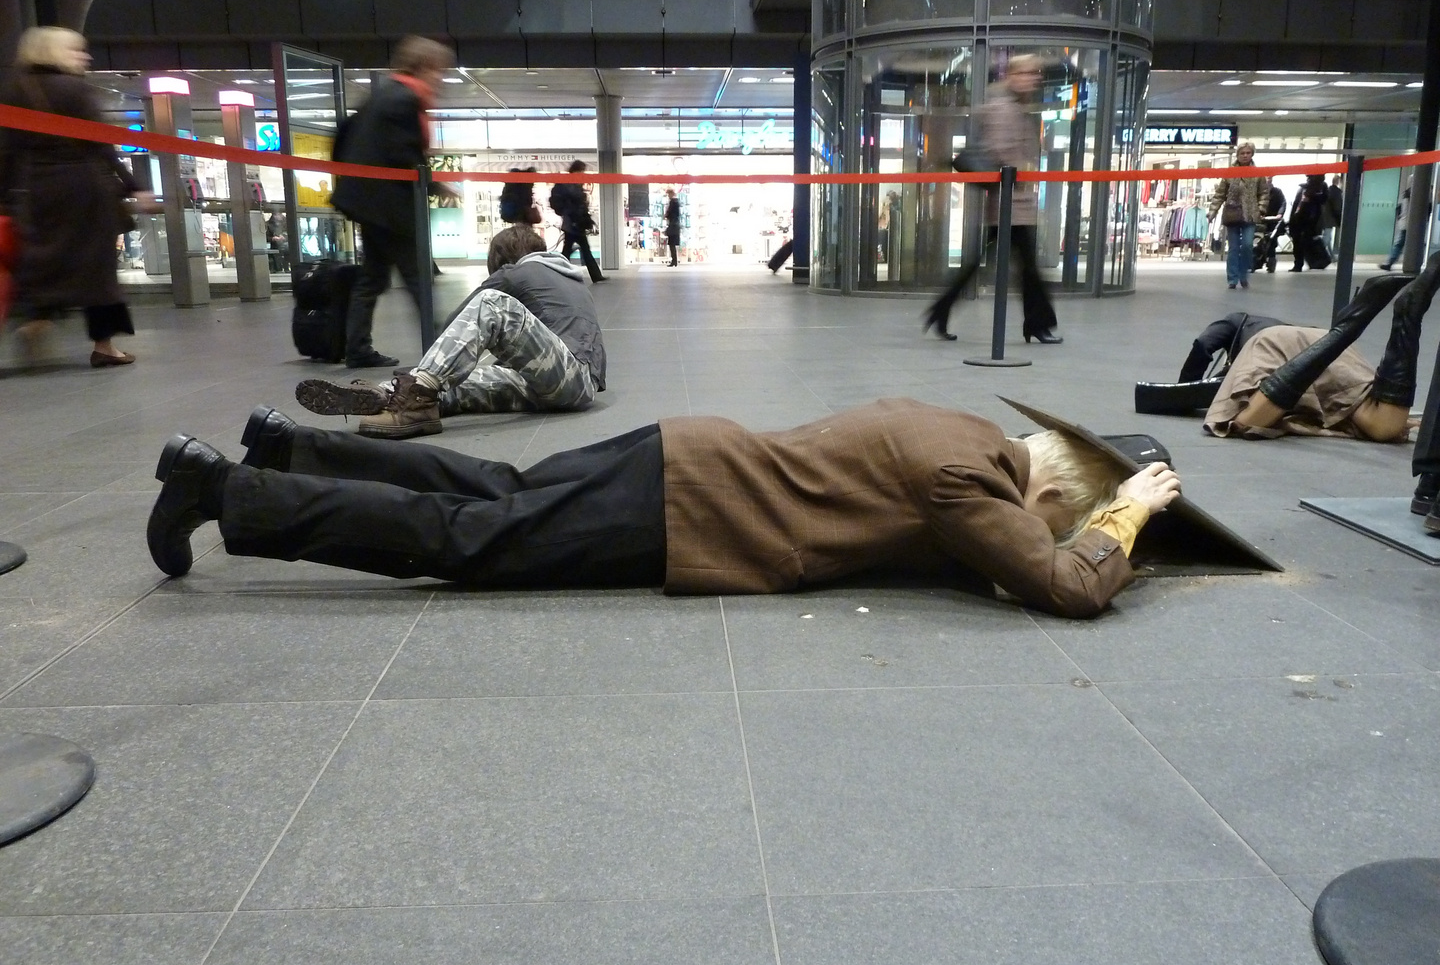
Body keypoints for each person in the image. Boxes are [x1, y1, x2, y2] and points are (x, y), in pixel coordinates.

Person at [147, 398, 1183, 621]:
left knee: (495, 493)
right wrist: (1122, 519)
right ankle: (232, 489)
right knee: (473, 544)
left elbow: (949, 543)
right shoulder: (972, 485)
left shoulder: (960, 433)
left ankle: (287, 445)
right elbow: (1060, 584)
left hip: (682, 452)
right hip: (691, 508)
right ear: (1054, 495)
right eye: (1065, 514)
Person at [295, 224, 605, 438]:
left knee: (491, 304)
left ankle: (417, 389)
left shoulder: (516, 272)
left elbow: (459, 321)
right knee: (456, 384)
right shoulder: (570, 278)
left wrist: (446, 361)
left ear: (500, 260)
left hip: (568, 378)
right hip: (570, 384)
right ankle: (391, 396)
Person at [0, 27, 154, 368]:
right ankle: (104, 346)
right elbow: (102, 145)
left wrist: (4, 198)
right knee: (97, 269)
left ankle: (36, 320)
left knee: (42, 260)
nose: (84, 57)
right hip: (85, 188)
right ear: (52, 52)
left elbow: (8, 151)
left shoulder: (15, 91)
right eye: (75, 50)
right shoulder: (74, 89)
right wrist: (135, 186)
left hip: (38, 189)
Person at [1205, 254, 1440, 447]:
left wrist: (1190, 382)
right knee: (1383, 425)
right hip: (1320, 345)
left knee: (1244, 421)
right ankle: (1403, 316)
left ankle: (1347, 329)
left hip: (1273, 344)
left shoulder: (1237, 321)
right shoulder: (1268, 324)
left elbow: (1202, 346)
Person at [330, 36, 452, 369]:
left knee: (372, 277)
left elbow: (344, 135)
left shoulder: (382, 95)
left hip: (371, 203)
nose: (440, 78)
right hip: (389, 206)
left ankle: (357, 347)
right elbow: (404, 156)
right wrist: (435, 184)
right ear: (424, 66)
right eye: (438, 70)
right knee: (418, 278)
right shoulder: (405, 99)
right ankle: (440, 351)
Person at [923, 53, 1061, 344]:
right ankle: (1037, 323)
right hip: (1009, 202)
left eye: (1034, 73)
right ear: (1011, 76)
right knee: (1024, 268)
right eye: (1025, 73)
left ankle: (941, 310)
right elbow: (999, 151)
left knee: (996, 264)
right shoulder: (1003, 109)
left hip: (1013, 203)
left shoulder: (1014, 107)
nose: (1033, 78)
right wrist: (1024, 168)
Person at [1207, 141, 1268, 290]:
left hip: (1250, 214)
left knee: (1247, 245)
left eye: (1248, 153)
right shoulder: (1230, 173)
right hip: (1232, 213)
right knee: (1233, 248)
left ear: (1252, 154)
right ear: (1238, 155)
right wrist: (1213, 211)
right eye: (1242, 153)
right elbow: (1220, 194)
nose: (1245, 155)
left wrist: (1260, 209)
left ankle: (1243, 275)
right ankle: (1232, 279)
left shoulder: (1258, 173)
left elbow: (1264, 193)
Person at [548, 159, 604, 283]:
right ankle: (595, 276)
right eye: (582, 171)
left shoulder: (572, 184)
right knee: (576, 250)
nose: (583, 173)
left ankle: (595, 275)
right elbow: (576, 204)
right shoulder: (571, 185)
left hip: (573, 223)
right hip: (573, 223)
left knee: (575, 249)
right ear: (576, 170)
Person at [1287, 173, 1329, 272]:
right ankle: (1298, 263)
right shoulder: (1303, 187)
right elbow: (1297, 205)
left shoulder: (1321, 186)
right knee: (1297, 242)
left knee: (1305, 241)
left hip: (1310, 219)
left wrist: (1311, 197)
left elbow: (1323, 199)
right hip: (1298, 218)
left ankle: (1313, 261)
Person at [1252, 183, 1286, 274]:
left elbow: (1283, 203)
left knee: (1271, 241)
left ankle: (1271, 260)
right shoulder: (1257, 191)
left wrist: (1280, 214)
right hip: (1260, 220)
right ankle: (1255, 259)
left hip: (1273, 220)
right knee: (1256, 239)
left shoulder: (1277, 192)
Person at [1379, 187, 1409, 271]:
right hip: (1411, 224)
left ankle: (1390, 262)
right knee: (1404, 244)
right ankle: (1391, 262)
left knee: (1399, 244)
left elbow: (1400, 209)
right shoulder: (1420, 195)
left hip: (1404, 223)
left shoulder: (1406, 194)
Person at [1321, 175, 1344, 256]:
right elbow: (1337, 207)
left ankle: (1331, 256)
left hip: (1325, 217)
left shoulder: (1328, 190)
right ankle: (1318, 254)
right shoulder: (1337, 192)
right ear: (1339, 182)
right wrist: (1340, 218)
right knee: (1327, 238)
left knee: (1328, 237)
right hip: (1330, 218)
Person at [664, 188, 681, 267]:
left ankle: (674, 261)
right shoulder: (676, 202)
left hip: (673, 226)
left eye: (668, 194)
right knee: (672, 244)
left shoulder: (673, 202)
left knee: (671, 244)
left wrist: (666, 215)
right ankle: (674, 260)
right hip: (675, 225)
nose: (668, 196)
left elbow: (669, 213)